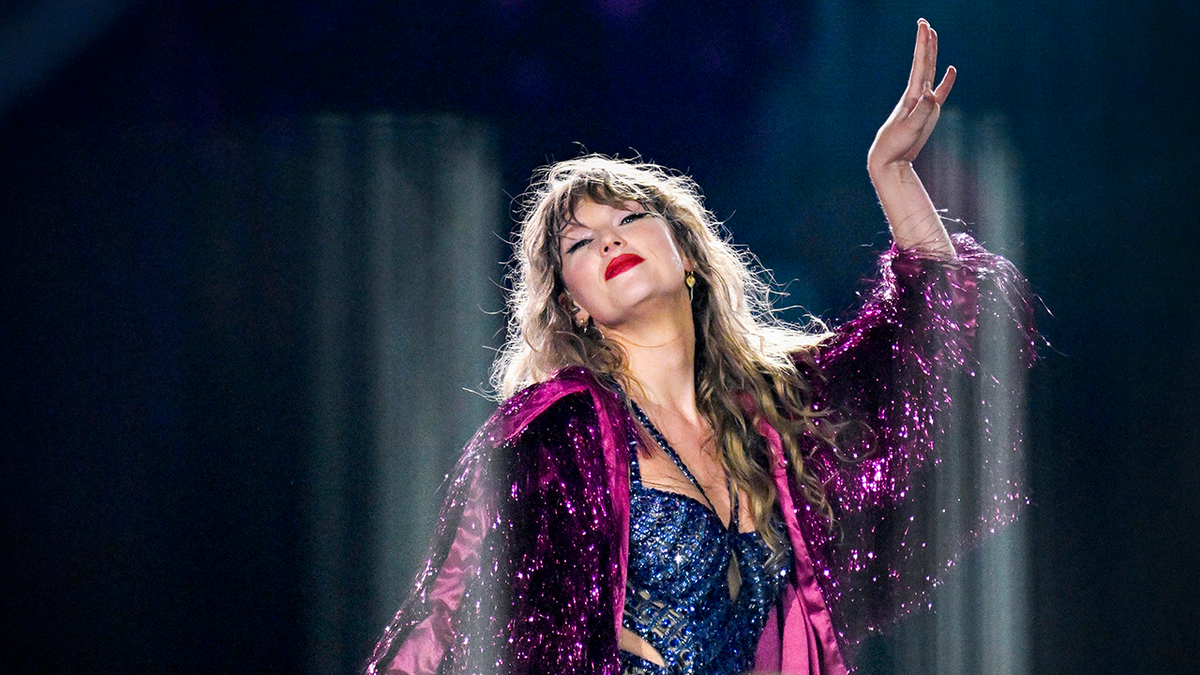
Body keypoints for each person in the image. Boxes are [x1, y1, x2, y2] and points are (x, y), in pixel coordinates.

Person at [365, 19, 1036, 675]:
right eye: (578, 241)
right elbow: (445, 618)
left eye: (630, 216)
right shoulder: (554, 433)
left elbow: (934, 348)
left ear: (686, 253)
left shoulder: (778, 414)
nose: (607, 237)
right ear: (573, 303)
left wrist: (892, 174)